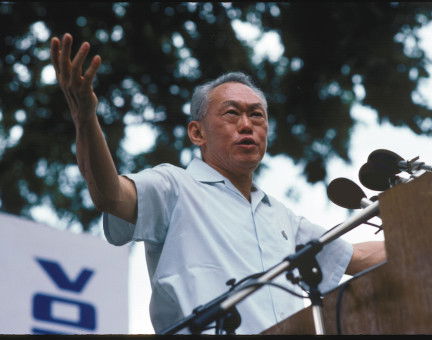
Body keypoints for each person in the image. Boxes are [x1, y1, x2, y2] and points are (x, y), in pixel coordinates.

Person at [50, 33, 386, 334]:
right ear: (197, 133)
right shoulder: (174, 187)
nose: (246, 125)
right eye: (231, 113)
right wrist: (85, 118)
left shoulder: (283, 218)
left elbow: (356, 256)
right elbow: (109, 195)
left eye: (257, 115)